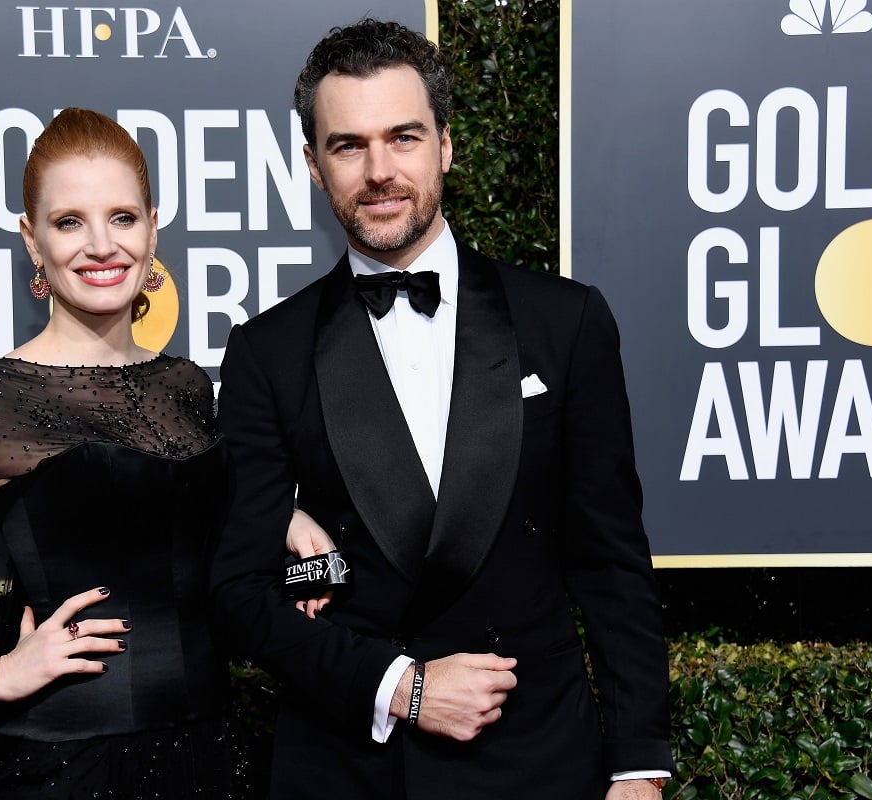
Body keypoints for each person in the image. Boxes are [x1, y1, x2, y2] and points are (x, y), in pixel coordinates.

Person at [0, 107, 329, 800]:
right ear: (32, 239)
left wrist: (281, 520)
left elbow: (182, 542)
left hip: (212, 752)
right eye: (69, 222)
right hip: (76, 767)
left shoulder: (186, 383)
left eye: (122, 218)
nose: (101, 245)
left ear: (152, 227)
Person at [211, 19, 675, 800]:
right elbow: (238, 594)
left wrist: (638, 769)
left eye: (404, 137)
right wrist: (401, 685)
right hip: (351, 765)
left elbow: (611, 561)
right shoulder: (267, 351)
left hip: (536, 761)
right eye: (348, 145)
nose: (380, 170)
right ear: (313, 167)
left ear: (447, 146)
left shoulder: (565, 324)